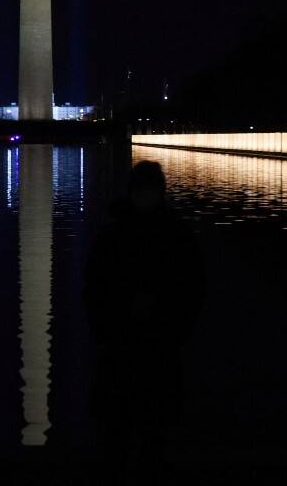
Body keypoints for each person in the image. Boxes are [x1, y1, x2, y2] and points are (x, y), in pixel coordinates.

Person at [84, 160, 204, 477]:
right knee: (123, 437)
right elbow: (94, 291)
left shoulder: (121, 236)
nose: (146, 196)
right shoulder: (175, 235)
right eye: (142, 190)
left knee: (147, 437)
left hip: (152, 348)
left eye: (150, 190)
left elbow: (192, 292)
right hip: (128, 348)